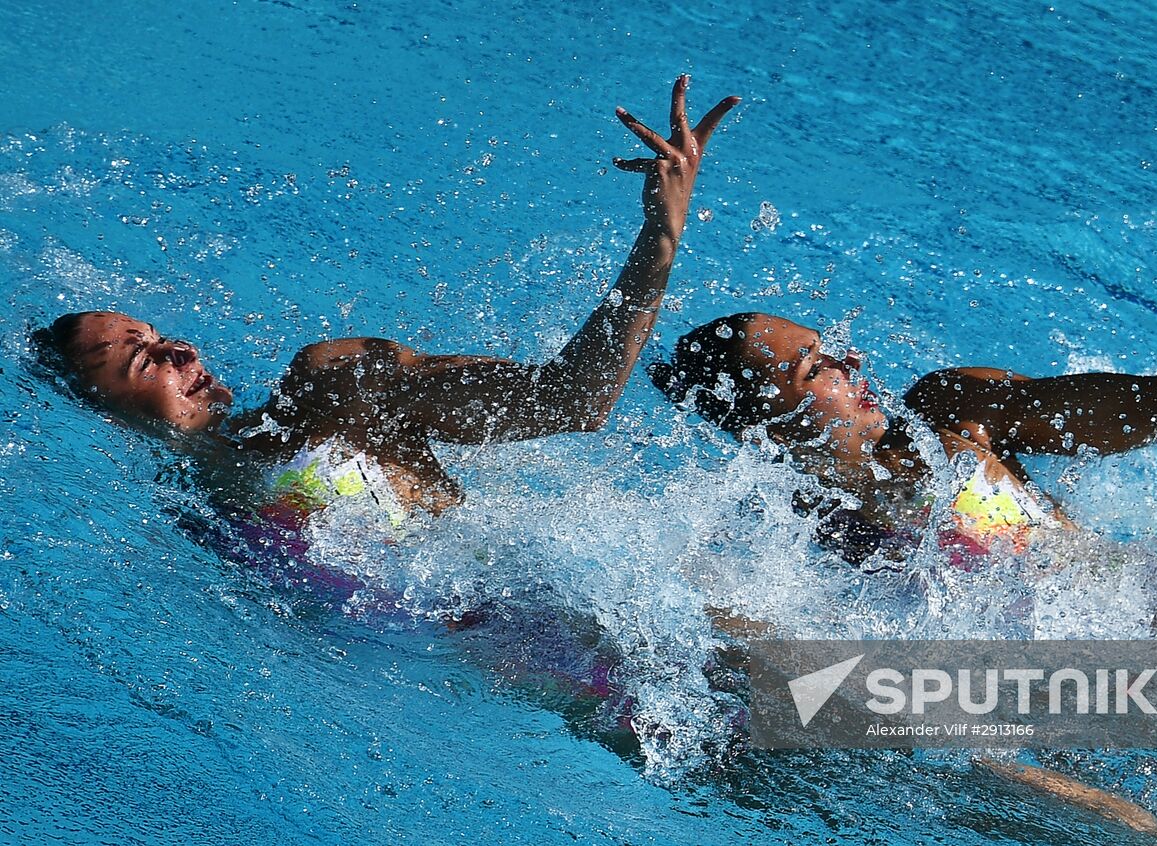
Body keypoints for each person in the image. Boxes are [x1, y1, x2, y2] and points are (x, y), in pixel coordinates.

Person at [31, 77, 739, 529]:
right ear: (98, 411)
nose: (181, 349)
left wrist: (660, 231)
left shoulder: (328, 388)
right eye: (137, 356)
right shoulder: (189, 518)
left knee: (840, 712)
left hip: (634, 664)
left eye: (158, 334)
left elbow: (573, 400)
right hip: (562, 703)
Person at [650, 79, 1157, 573]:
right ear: (767, 427)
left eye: (831, 349)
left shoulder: (954, 414)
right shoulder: (802, 542)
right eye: (815, 368)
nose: (853, 363)